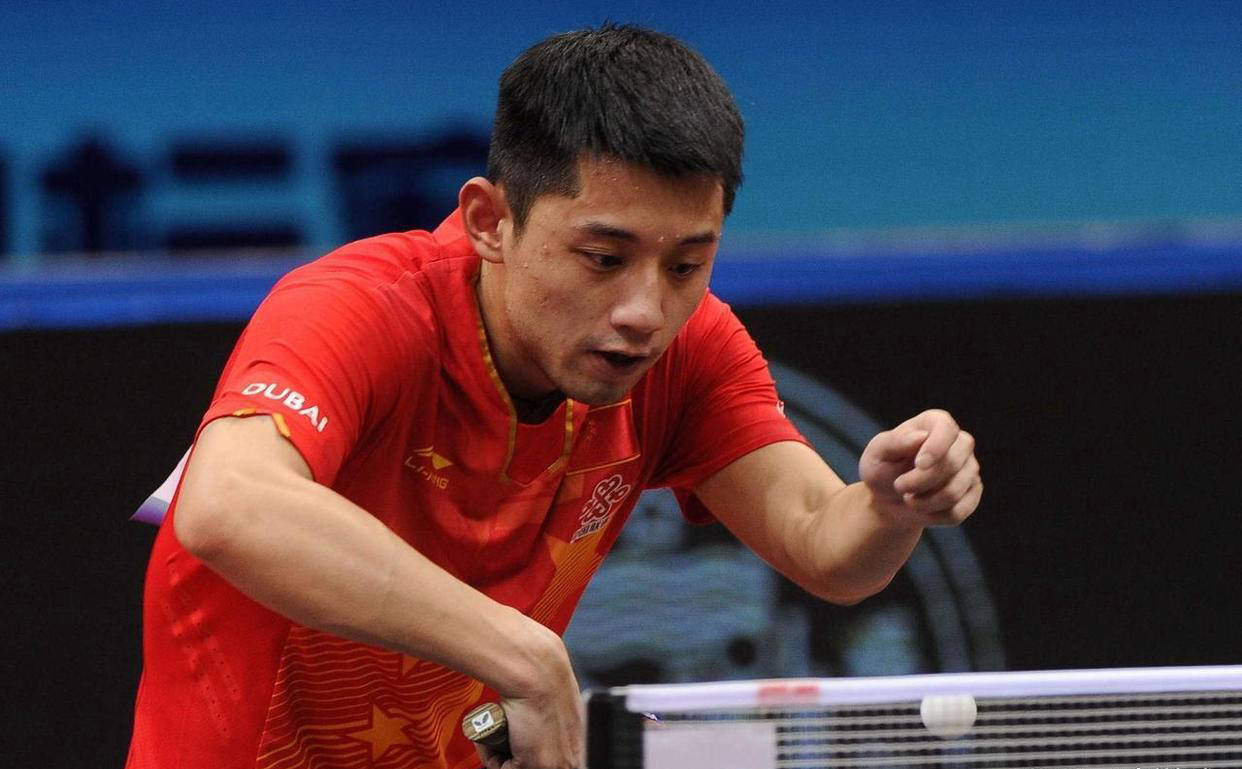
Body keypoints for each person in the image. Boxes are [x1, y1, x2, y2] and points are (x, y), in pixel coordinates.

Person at [126, 24, 981, 769]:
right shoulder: (361, 309)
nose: (646, 310)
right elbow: (228, 503)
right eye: (603, 258)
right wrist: (525, 655)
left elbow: (825, 545)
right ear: (490, 221)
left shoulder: (688, 350)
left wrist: (890, 503)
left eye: (687, 263)